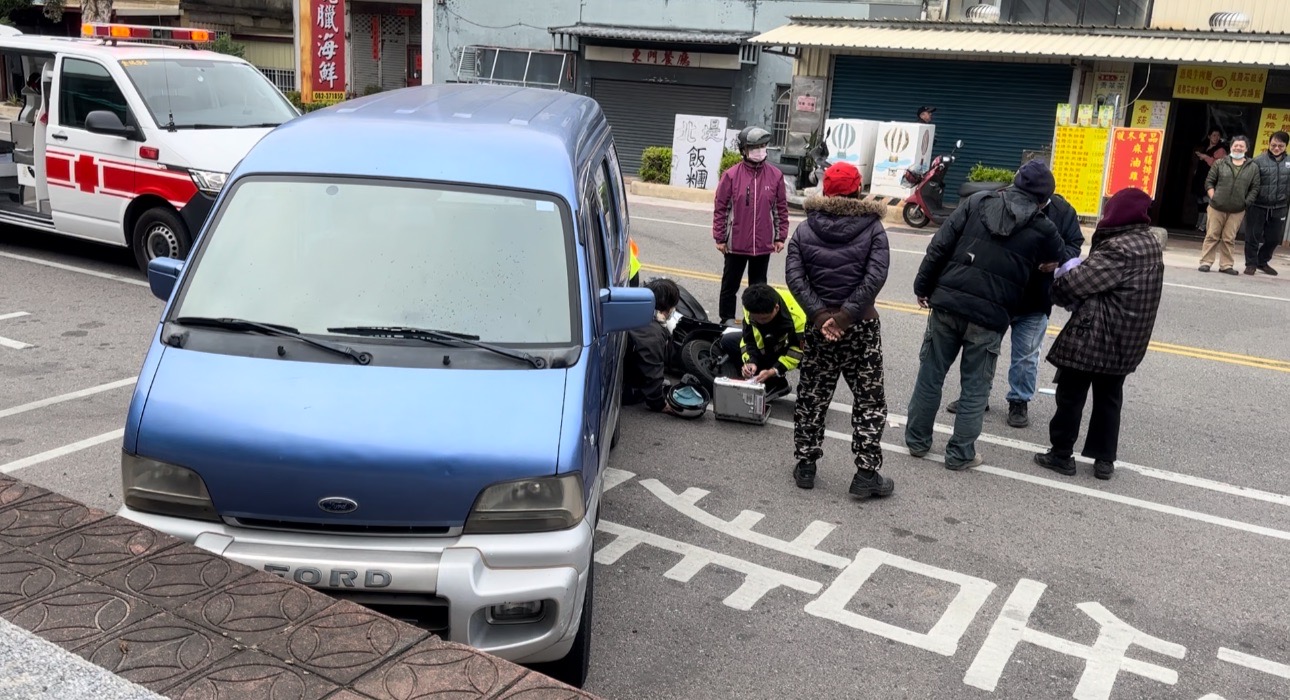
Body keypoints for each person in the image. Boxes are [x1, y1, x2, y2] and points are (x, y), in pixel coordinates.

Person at [904, 160, 1065, 470]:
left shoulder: (977, 202)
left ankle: (917, 441)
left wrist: (922, 286)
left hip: (948, 303)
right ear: (1044, 199)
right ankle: (960, 454)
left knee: (930, 374)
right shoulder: (1044, 226)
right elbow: (1060, 258)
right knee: (976, 386)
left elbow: (939, 246)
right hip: (990, 316)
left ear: (1015, 183)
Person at [1034, 188, 1164, 481]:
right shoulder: (1150, 244)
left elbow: (1075, 284)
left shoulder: (1120, 249)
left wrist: (1059, 280)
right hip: (1128, 340)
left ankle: (1060, 455)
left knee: (1070, 394)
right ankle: (1104, 460)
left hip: (1096, 336)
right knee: (1109, 398)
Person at [785, 161, 893, 498]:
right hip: (860, 326)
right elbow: (875, 277)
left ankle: (805, 465)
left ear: (825, 191)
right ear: (857, 190)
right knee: (869, 399)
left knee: (812, 397)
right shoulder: (873, 228)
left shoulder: (804, 229)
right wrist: (846, 318)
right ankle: (865, 474)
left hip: (820, 329)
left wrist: (820, 318)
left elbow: (795, 277)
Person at [945, 192, 1084, 427]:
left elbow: (1074, 243)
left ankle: (1019, 401)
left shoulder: (1063, 211)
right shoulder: (1003, 202)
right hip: (997, 295)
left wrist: (1058, 261)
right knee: (983, 350)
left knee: (1027, 356)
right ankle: (976, 397)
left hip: (1036, 298)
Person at [712, 125, 790, 326]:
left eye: (763, 146)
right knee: (730, 285)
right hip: (735, 243)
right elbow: (721, 208)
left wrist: (780, 236)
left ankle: (756, 322)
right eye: (754, 146)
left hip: (763, 244)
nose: (759, 150)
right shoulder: (730, 175)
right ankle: (726, 319)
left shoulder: (775, 175)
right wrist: (720, 237)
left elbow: (780, 208)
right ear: (744, 150)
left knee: (759, 287)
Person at [717, 284, 805, 402]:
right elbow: (748, 339)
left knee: (812, 360)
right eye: (756, 318)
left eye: (764, 319)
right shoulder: (751, 308)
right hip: (769, 344)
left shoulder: (798, 318)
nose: (760, 322)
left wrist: (774, 370)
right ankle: (763, 378)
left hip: (793, 346)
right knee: (728, 341)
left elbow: (797, 351)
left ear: (776, 308)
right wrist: (750, 362)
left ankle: (777, 382)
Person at [1198, 135, 1260, 275]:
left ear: (1246, 148)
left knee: (1229, 238)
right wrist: (1214, 197)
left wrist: (1246, 202)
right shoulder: (1220, 163)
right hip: (1216, 207)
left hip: (1237, 209)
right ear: (1231, 147)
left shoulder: (1253, 167)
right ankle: (1206, 262)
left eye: (1241, 146)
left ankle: (1226, 265)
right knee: (1212, 235)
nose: (1238, 148)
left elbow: (1255, 188)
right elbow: (1209, 182)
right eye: (1235, 145)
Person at [623, 278, 680, 414]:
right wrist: (659, 404)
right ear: (668, 308)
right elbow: (652, 371)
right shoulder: (652, 334)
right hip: (624, 388)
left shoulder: (634, 310)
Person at [1242, 131, 1289, 276]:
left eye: (1280, 146)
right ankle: (1251, 264)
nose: (1276, 148)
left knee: (1274, 238)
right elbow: (1249, 183)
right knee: (1253, 236)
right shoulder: (1258, 161)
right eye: (1273, 145)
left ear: (1285, 146)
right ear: (1269, 144)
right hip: (1258, 205)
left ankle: (1262, 262)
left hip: (1279, 207)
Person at [1192, 129, 1227, 231]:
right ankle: (1198, 224)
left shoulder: (1221, 150)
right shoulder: (1205, 148)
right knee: (1200, 201)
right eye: (1214, 135)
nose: (1216, 137)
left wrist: (1206, 157)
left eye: (1218, 135)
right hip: (1200, 177)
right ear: (1209, 136)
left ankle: (1203, 226)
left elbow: (1219, 164)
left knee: (1207, 201)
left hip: (1211, 178)